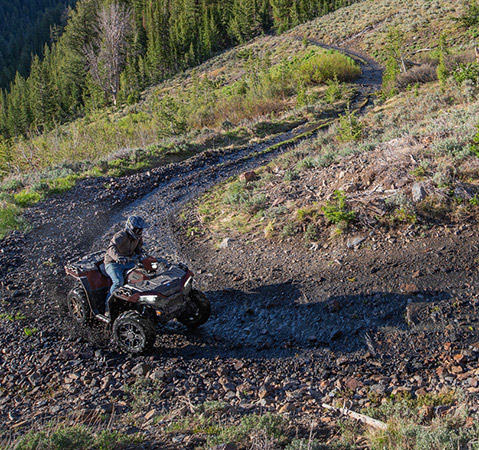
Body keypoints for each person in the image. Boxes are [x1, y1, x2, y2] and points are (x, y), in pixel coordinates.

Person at [103, 215, 149, 316]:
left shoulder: (138, 238)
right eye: (137, 230)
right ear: (130, 228)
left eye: (140, 230)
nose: (139, 232)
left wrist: (141, 254)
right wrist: (118, 257)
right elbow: (111, 248)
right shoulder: (121, 236)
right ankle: (107, 307)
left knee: (143, 275)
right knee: (118, 281)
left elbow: (138, 249)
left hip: (128, 262)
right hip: (113, 263)